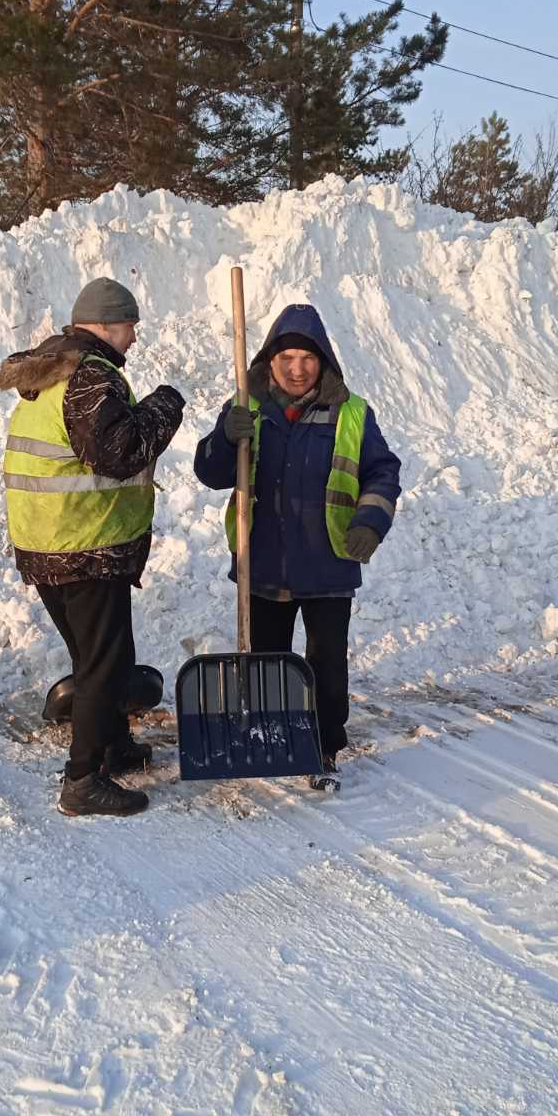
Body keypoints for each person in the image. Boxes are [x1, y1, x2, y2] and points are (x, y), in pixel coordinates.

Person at [193, 303, 400, 789]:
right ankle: (271, 736)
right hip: (263, 562)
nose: (297, 368)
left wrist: (370, 521)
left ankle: (324, 746)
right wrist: (225, 437)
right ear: (270, 360)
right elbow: (209, 473)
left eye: (307, 359)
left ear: (323, 361)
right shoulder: (247, 406)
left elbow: (382, 472)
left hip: (328, 562)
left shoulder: (351, 413)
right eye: (286, 357)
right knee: (267, 661)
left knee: (326, 662)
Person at [0, 278, 185, 818]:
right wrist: (165, 406)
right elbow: (120, 452)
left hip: (50, 541)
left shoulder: (52, 374)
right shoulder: (88, 377)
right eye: (129, 325)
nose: (133, 337)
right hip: (84, 543)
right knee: (102, 664)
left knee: (101, 656)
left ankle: (112, 748)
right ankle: (83, 780)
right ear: (104, 325)